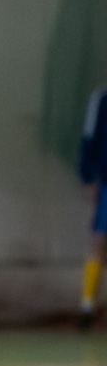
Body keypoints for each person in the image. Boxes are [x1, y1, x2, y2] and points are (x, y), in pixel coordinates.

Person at [78, 86, 107, 330]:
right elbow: (89, 138)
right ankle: (87, 304)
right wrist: (88, 176)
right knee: (99, 239)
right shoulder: (101, 99)